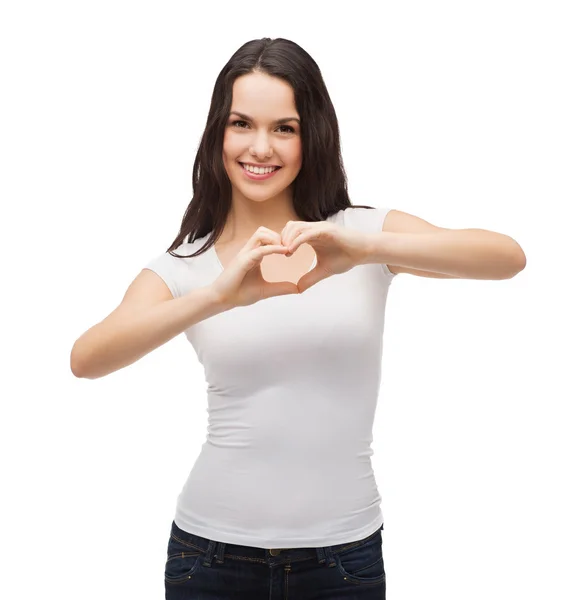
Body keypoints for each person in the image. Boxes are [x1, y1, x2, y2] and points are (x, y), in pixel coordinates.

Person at [70, 37, 526, 599]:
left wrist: (364, 249)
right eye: (242, 123)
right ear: (218, 131)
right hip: (209, 557)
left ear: (312, 134)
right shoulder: (185, 266)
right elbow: (86, 359)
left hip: (342, 559)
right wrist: (217, 297)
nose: (260, 147)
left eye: (284, 127)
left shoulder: (359, 232)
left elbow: (506, 258)